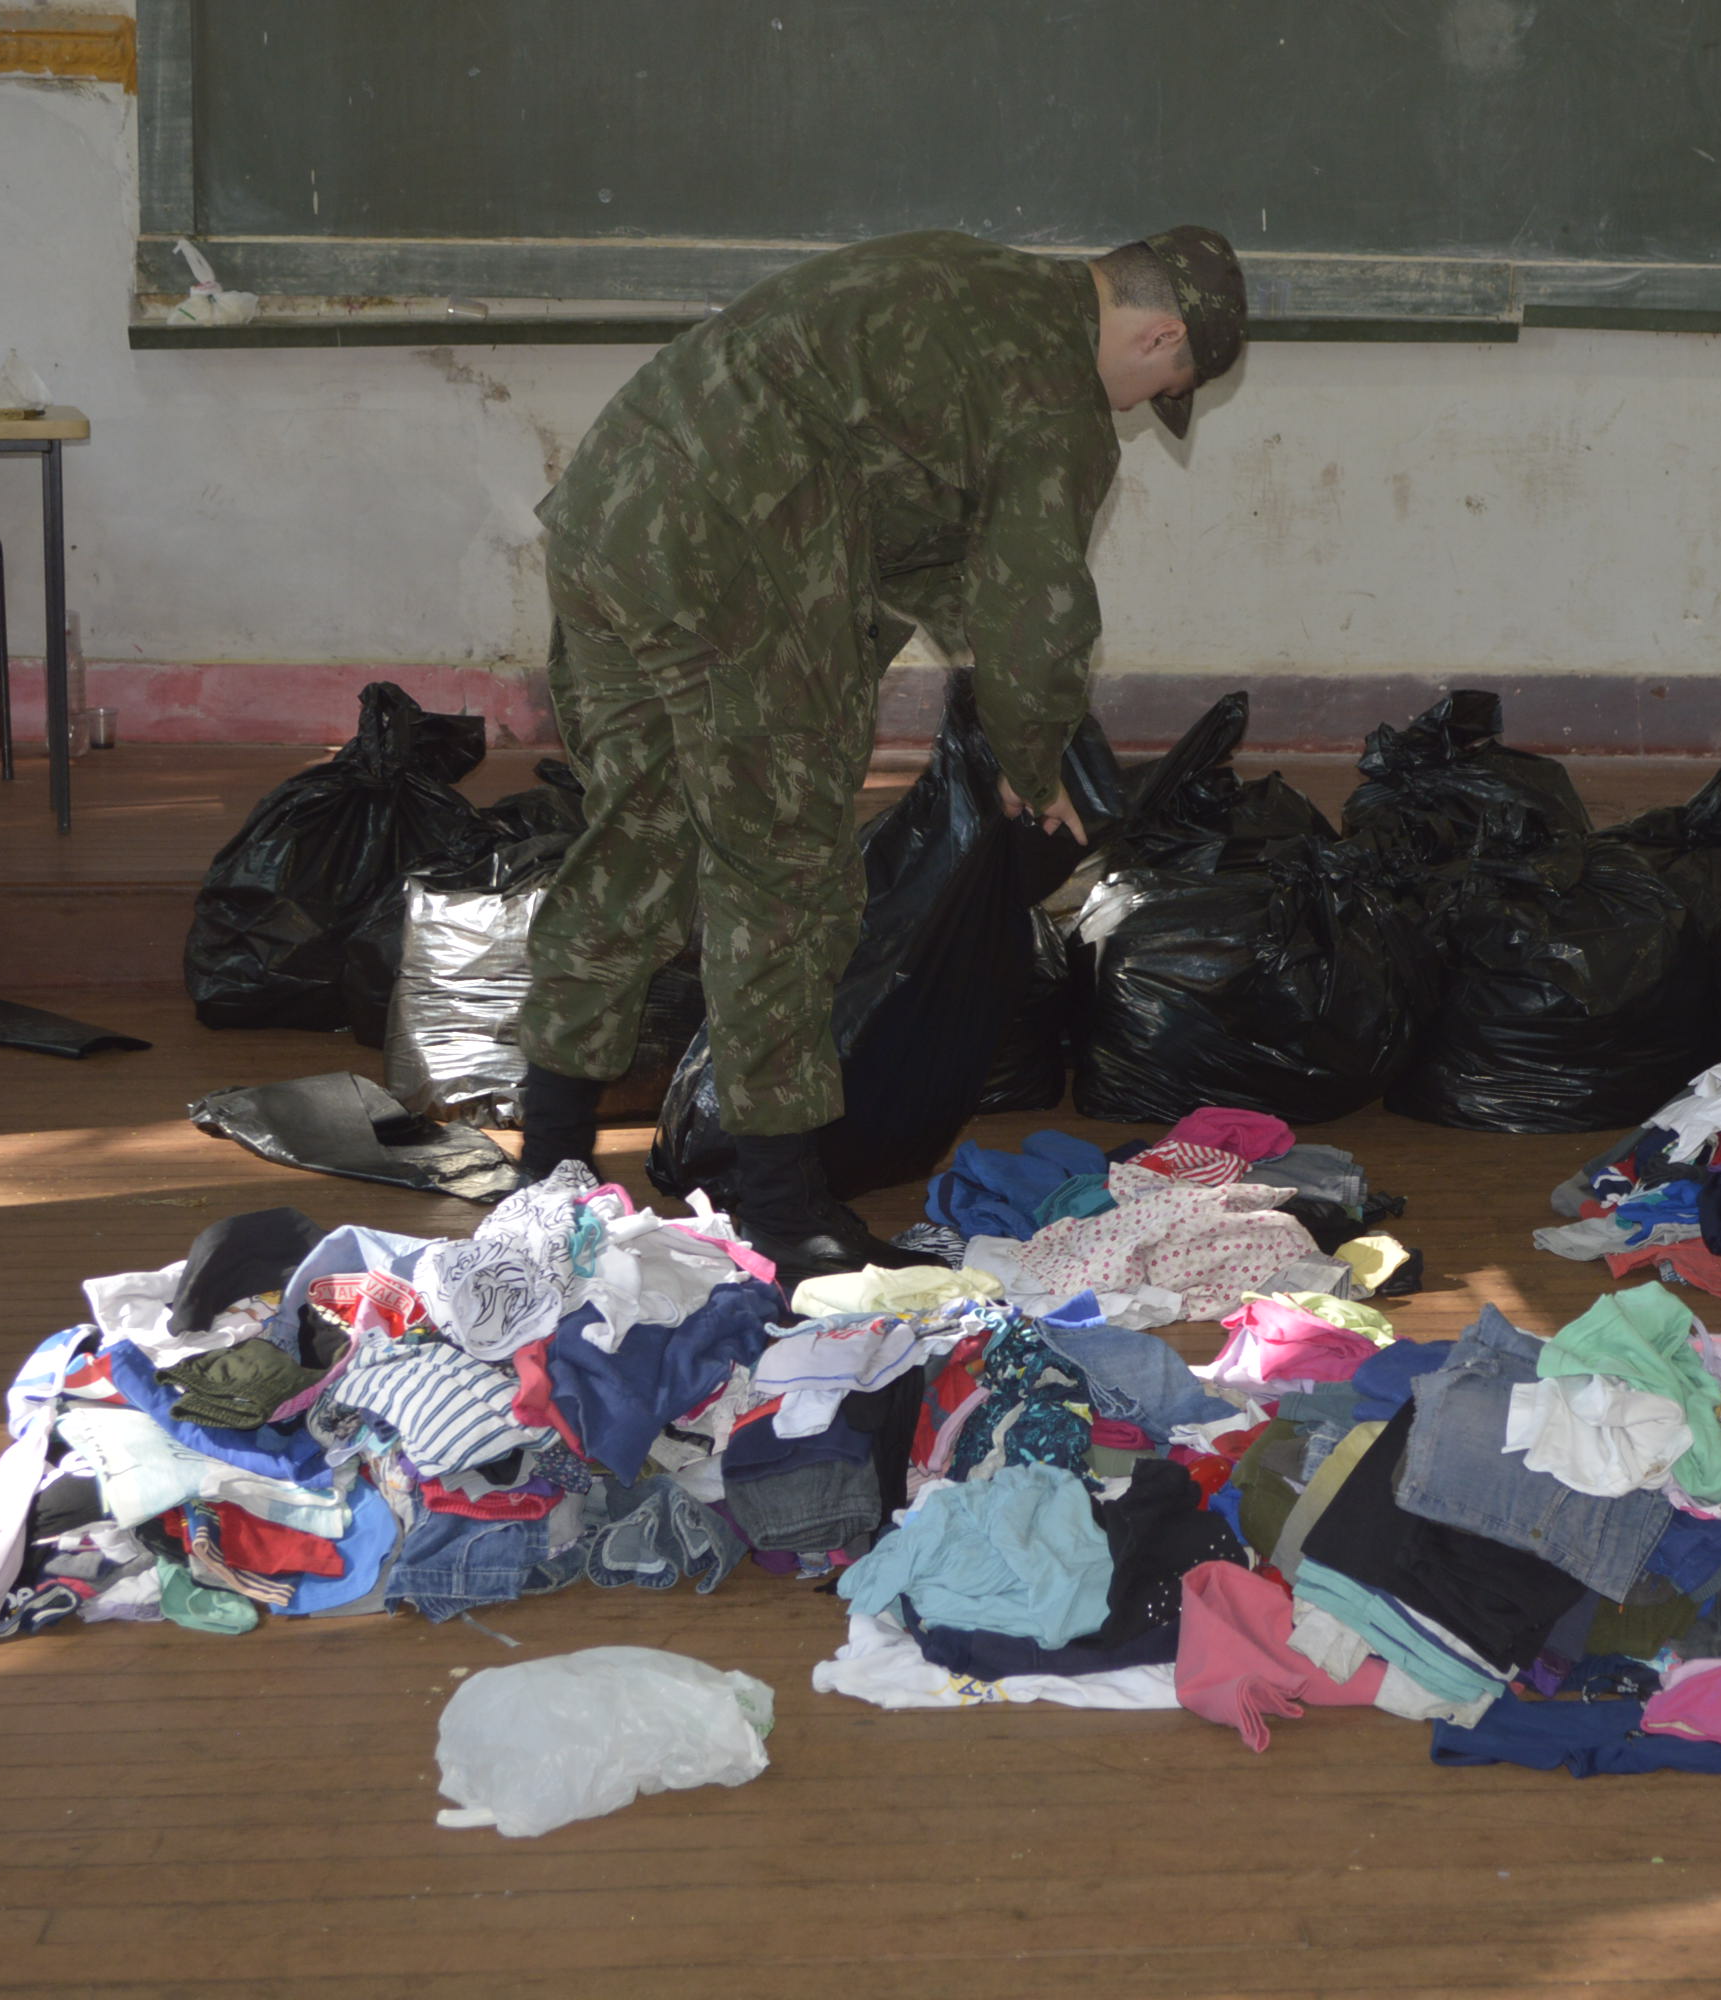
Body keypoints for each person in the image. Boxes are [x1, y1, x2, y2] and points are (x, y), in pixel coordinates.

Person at [513, 225, 1246, 1279]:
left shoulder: (952, 271)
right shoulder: (1054, 395)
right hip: (739, 567)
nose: (1134, 411)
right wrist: (1031, 759)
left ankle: (546, 1161)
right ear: (1159, 333)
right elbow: (1035, 609)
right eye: (1157, 390)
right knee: (786, 878)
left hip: (609, 517)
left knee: (640, 831)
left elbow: (935, 551)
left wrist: (1016, 731)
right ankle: (781, 1208)